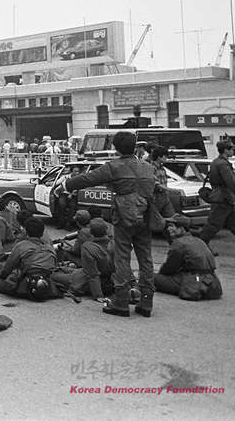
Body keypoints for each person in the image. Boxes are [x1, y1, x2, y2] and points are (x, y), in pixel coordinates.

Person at [58, 130, 173, 318]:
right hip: (145, 216)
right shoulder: (147, 167)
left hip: (124, 217)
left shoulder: (114, 166)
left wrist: (66, 185)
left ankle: (121, 301)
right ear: (135, 147)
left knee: (122, 259)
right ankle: (146, 302)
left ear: (116, 148)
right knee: (146, 259)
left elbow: (88, 179)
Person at [199, 140, 235, 253]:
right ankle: (199, 249)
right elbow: (230, 183)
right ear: (226, 150)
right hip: (222, 200)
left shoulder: (217, 162)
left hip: (225, 200)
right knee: (212, 226)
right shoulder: (222, 164)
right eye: (231, 149)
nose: (233, 151)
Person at [155, 215, 223, 301]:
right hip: (212, 282)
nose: (169, 229)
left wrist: (160, 276)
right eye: (168, 226)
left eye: (172, 226)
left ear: (182, 229)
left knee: (151, 278)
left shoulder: (179, 243)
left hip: (193, 282)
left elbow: (169, 268)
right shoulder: (199, 240)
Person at [0, 218, 59, 301]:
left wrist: (2, 278)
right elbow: (53, 267)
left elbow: (8, 268)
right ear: (42, 233)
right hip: (46, 285)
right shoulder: (50, 248)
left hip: (25, 286)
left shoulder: (21, 246)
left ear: (26, 232)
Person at [51, 219, 114, 299]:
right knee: (62, 269)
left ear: (91, 233)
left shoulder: (89, 247)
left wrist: (98, 295)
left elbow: (92, 274)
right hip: (106, 279)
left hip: (85, 281)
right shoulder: (113, 244)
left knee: (53, 275)